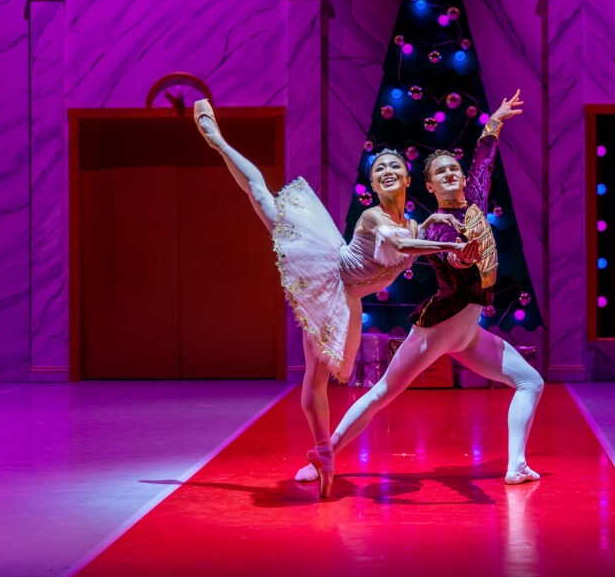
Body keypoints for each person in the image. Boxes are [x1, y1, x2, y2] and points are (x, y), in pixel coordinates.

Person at [193, 99, 479, 498]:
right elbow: (400, 244)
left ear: (408, 179)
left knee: (324, 376)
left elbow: (413, 235)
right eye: (379, 169)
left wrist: (436, 224)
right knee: (262, 197)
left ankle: (324, 452)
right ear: (374, 185)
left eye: (395, 166)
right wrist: (437, 241)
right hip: (326, 275)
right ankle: (218, 140)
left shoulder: (415, 223)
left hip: (350, 299)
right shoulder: (373, 217)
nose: (388, 171)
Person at [296, 89, 544, 486]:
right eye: (440, 173)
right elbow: (449, 258)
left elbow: (483, 159)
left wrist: (495, 120)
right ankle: (323, 455)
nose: (450, 175)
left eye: (454, 170)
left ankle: (515, 465)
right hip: (439, 326)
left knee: (531, 381)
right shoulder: (439, 224)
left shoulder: (476, 198)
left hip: (467, 333)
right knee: (383, 393)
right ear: (429, 186)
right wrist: (459, 256)